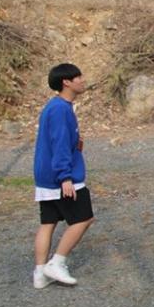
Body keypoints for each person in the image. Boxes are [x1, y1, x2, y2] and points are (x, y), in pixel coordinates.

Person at [32, 63, 95, 289]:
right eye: (78, 77)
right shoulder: (60, 109)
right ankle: (57, 262)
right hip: (61, 177)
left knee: (48, 222)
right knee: (84, 218)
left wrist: (75, 144)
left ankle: (40, 273)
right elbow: (58, 144)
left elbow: (58, 141)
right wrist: (65, 177)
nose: (82, 80)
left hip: (46, 176)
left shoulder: (55, 106)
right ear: (66, 82)